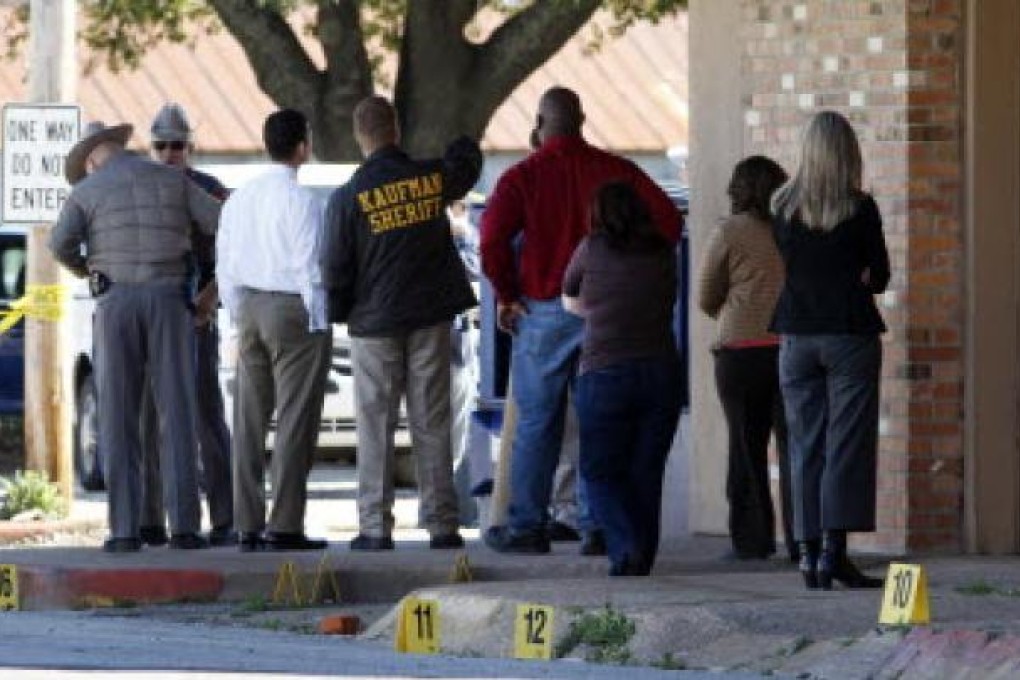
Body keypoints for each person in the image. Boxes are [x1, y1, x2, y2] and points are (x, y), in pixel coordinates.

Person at [480, 86, 681, 554]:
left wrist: (508, 296)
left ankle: (527, 526)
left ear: (540, 124)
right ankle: (598, 526)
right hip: (608, 316)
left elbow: (491, 240)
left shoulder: (522, 176)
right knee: (599, 419)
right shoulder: (619, 172)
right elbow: (669, 223)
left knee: (537, 421)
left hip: (544, 309)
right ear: (583, 119)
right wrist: (631, 272)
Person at [50, 121, 221, 552]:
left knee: (118, 413)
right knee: (177, 410)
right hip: (170, 299)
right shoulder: (172, 178)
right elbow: (221, 221)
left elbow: (59, 244)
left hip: (116, 304)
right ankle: (185, 527)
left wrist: (89, 271)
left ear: (91, 160)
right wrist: (209, 291)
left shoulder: (87, 191)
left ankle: (125, 530)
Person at [321, 95, 481, 551]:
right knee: (432, 420)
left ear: (359, 136)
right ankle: (442, 525)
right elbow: (466, 166)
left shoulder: (348, 197)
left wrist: (340, 314)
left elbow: (334, 266)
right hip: (429, 317)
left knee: (376, 424)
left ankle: (375, 528)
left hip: (374, 325)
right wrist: (460, 130)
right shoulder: (429, 180)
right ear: (396, 130)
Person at [770, 111, 889, 590]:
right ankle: (834, 555)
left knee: (803, 444)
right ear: (848, 154)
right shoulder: (860, 208)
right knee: (846, 444)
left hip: (796, 334)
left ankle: (806, 553)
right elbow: (879, 275)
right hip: (848, 332)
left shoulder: (781, 206)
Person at [216, 109, 330, 553]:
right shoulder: (303, 201)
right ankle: (284, 524)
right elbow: (309, 268)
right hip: (290, 308)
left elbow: (224, 262)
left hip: (248, 305)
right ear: (303, 146)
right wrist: (317, 319)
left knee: (248, 419)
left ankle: (246, 523)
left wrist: (235, 312)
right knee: (294, 419)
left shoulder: (241, 198)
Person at [561, 181, 682, 576]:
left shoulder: (592, 248)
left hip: (605, 372)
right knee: (646, 470)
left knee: (599, 470)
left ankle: (626, 547)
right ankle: (641, 554)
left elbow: (568, 295)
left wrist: (593, 312)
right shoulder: (663, 251)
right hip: (661, 371)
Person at [138, 103, 234, 547]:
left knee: (204, 416)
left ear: (189, 148)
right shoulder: (138, 188)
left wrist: (208, 300)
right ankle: (151, 518)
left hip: (196, 313)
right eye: (161, 145)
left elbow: (234, 249)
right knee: (151, 419)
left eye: (177, 145)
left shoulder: (210, 190)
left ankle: (223, 516)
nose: (169, 153)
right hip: (152, 312)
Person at [697, 155, 797, 562]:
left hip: (739, 353)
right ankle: (802, 539)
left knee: (746, 447)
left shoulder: (728, 231)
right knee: (797, 449)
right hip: (791, 347)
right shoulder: (796, 229)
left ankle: (752, 542)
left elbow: (706, 295)